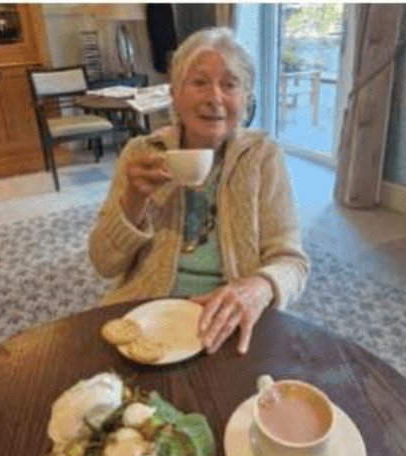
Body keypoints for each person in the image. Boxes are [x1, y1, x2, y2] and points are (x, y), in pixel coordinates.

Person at [89, 28, 309, 355]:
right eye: (199, 82)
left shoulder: (263, 157)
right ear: (175, 95)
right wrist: (133, 202)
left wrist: (258, 287)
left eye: (230, 84)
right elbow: (104, 264)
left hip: (230, 318)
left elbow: (292, 262)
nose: (214, 97)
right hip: (149, 310)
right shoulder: (141, 153)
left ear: (246, 99)